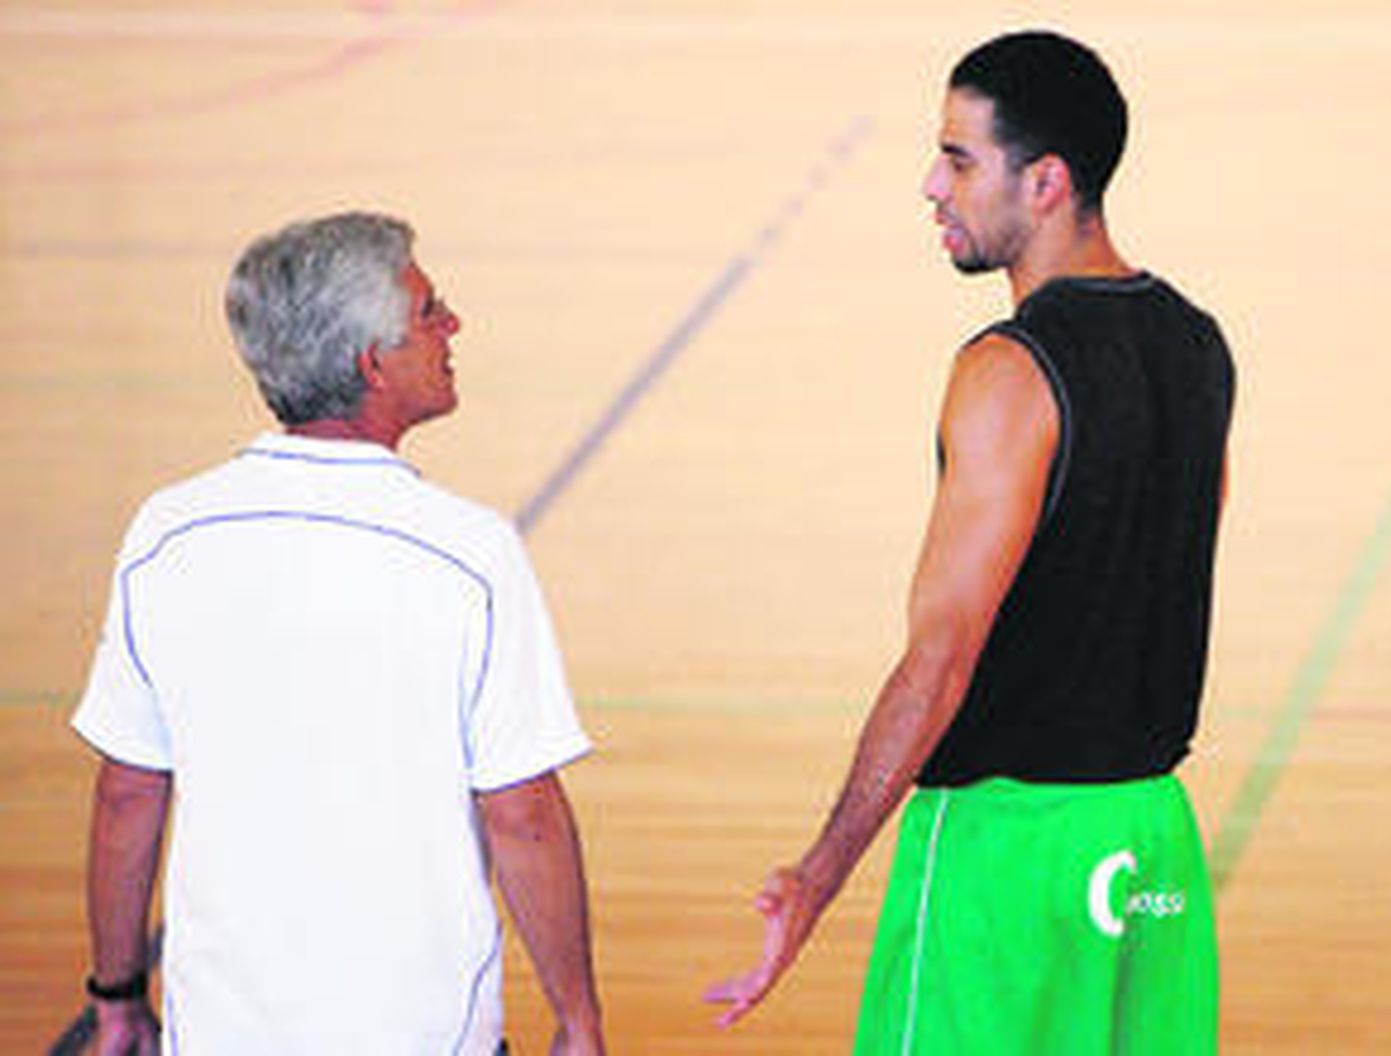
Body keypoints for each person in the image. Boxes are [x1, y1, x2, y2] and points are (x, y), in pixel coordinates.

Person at [706, 31, 1234, 1054]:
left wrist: (818, 874)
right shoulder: (1196, 344)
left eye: (958, 160)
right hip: (1152, 852)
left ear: (1045, 182)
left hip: (1006, 859)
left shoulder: (1008, 372)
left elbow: (940, 662)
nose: (931, 186)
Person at [74, 212, 606, 1055]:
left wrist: (115, 995)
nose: (453, 326)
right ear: (371, 364)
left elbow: (126, 796)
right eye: (429, 311)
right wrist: (577, 1018)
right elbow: (524, 817)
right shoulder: (470, 555)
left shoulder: (165, 535)